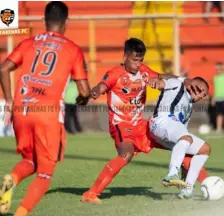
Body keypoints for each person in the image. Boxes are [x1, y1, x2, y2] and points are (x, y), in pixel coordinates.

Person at [80, 37, 200, 204]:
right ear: (125, 56)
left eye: (140, 60)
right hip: (121, 125)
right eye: (134, 60)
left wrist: (183, 80)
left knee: (184, 144)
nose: (138, 64)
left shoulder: (143, 71)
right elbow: (101, 87)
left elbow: (163, 76)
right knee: (126, 154)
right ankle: (91, 194)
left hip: (142, 126)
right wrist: (91, 95)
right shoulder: (115, 73)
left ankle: (194, 187)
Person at [0, 2, 91, 215]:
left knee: (30, 160)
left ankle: (11, 179)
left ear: (44, 21)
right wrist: (82, 99)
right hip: (48, 115)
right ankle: (21, 213)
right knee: (45, 173)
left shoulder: (28, 42)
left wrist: (10, 101)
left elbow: (4, 68)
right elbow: (85, 91)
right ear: (66, 22)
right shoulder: (72, 49)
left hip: (21, 111)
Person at [148, 76, 210, 198]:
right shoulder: (176, 84)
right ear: (194, 84)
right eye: (202, 91)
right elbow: (162, 83)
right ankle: (171, 175)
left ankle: (187, 188)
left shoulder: (189, 107)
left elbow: (182, 134)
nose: (201, 96)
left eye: (203, 96)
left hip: (170, 131)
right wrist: (156, 82)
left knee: (204, 149)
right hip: (160, 122)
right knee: (186, 138)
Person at [212, 62, 224, 133]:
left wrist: (222, 66)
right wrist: (213, 98)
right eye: (216, 69)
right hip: (217, 99)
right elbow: (215, 89)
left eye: (219, 69)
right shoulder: (215, 78)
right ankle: (219, 128)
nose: (217, 70)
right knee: (218, 115)